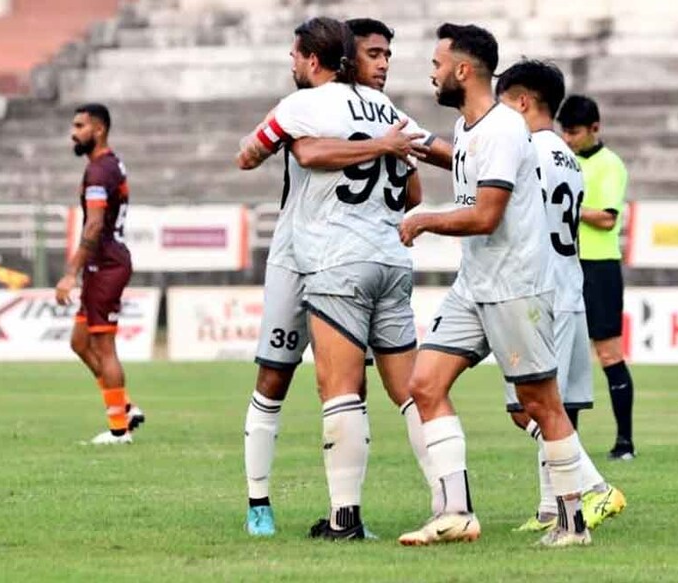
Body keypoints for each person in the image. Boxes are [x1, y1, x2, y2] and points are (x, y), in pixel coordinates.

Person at [235, 17, 443, 540]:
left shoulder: (307, 106)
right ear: (351, 57)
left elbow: (270, 153)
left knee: (336, 386)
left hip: (333, 258)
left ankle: (342, 517)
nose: (384, 63)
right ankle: (260, 501)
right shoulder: (388, 115)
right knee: (287, 379)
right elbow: (433, 160)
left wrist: (262, 145)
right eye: (376, 54)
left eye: (386, 55)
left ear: (311, 59)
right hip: (309, 255)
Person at [396, 23, 591, 548]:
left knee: (540, 403)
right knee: (424, 386)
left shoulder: (506, 128)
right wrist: (406, 140)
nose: (432, 74)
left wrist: (423, 220)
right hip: (475, 284)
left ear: (462, 70)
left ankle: (573, 523)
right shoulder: (468, 128)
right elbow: (459, 159)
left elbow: (485, 215)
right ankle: (455, 512)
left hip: (515, 286)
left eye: (438, 65)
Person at [495, 59, 628, 533]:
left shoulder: (528, 152)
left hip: (538, 293)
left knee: (528, 407)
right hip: (568, 287)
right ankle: (552, 505)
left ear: (524, 101)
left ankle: (593, 485)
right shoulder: (568, 157)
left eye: (504, 101)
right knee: (549, 404)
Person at [55, 103, 145, 445]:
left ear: (99, 130)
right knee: (80, 342)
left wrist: (70, 273)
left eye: (80, 126)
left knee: (104, 346)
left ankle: (119, 430)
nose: (73, 132)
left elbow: (93, 227)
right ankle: (124, 406)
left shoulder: (99, 172)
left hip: (105, 265)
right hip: (104, 264)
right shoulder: (108, 165)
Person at [557, 95, 636, 461]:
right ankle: (570, 443)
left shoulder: (610, 165)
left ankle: (624, 442)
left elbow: (607, 218)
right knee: (569, 353)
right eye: (565, 132)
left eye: (574, 133)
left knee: (608, 352)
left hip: (599, 266)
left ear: (595, 129)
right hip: (566, 264)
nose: (569, 139)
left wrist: (568, 204)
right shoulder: (563, 160)